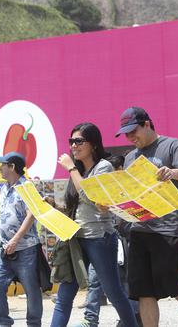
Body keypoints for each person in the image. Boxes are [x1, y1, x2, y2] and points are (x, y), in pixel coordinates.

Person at [116, 106, 178, 327]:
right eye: (126, 133)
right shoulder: (131, 157)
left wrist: (173, 172)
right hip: (139, 229)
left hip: (168, 229)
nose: (131, 137)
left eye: (134, 131)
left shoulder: (172, 145)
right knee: (143, 290)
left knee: (171, 281)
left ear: (148, 124)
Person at [51, 123, 138, 327]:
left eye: (79, 141)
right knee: (64, 296)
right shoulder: (78, 171)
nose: (73, 146)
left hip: (100, 239)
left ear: (93, 144)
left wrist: (71, 168)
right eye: (71, 141)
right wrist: (53, 206)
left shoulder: (103, 167)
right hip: (76, 239)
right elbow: (76, 207)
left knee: (114, 292)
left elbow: (91, 196)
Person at [0, 152, 42, 326]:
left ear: (12, 167)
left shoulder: (28, 186)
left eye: (3, 164)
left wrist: (16, 239)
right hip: (5, 249)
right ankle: (3, 322)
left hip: (25, 248)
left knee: (31, 289)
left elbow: (32, 214)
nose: (0, 167)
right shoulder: (4, 188)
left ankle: (34, 323)